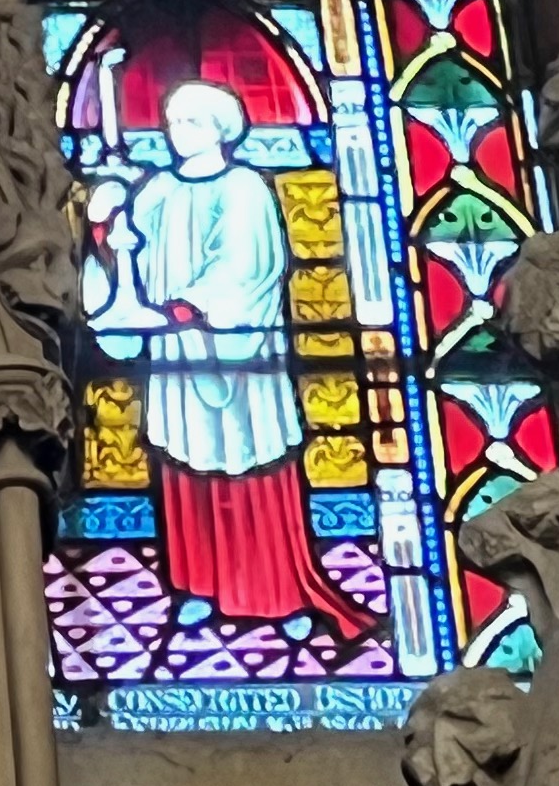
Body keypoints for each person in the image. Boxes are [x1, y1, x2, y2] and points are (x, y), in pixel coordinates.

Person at [98, 80, 365, 633]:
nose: (178, 133)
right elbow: (121, 251)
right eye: (172, 123)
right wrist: (106, 226)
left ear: (221, 129)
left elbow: (247, 267)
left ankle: (276, 595)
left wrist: (186, 309)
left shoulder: (245, 188)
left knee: (252, 464)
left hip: (238, 357)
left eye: (191, 122)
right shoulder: (158, 190)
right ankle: (199, 585)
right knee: (185, 467)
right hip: (177, 355)